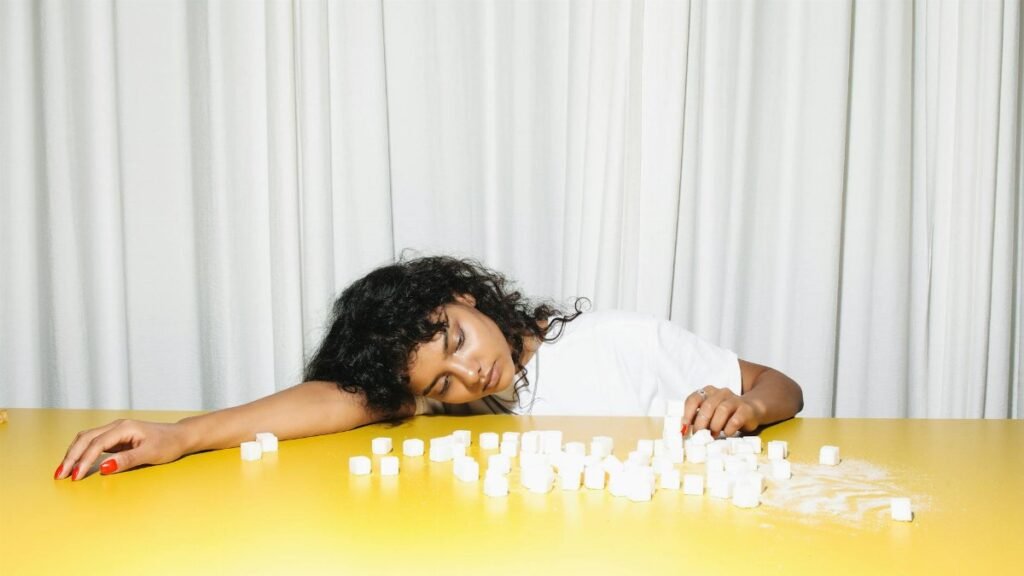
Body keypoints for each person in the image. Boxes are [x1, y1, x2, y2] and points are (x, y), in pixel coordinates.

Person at [54, 256, 803, 481]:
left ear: (468, 297)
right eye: (437, 382)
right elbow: (331, 401)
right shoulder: (455, 407)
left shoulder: (616, 337)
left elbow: (781, 385)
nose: (467, 376)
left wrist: (748, 407)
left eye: (456, 343)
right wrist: (181, 437)